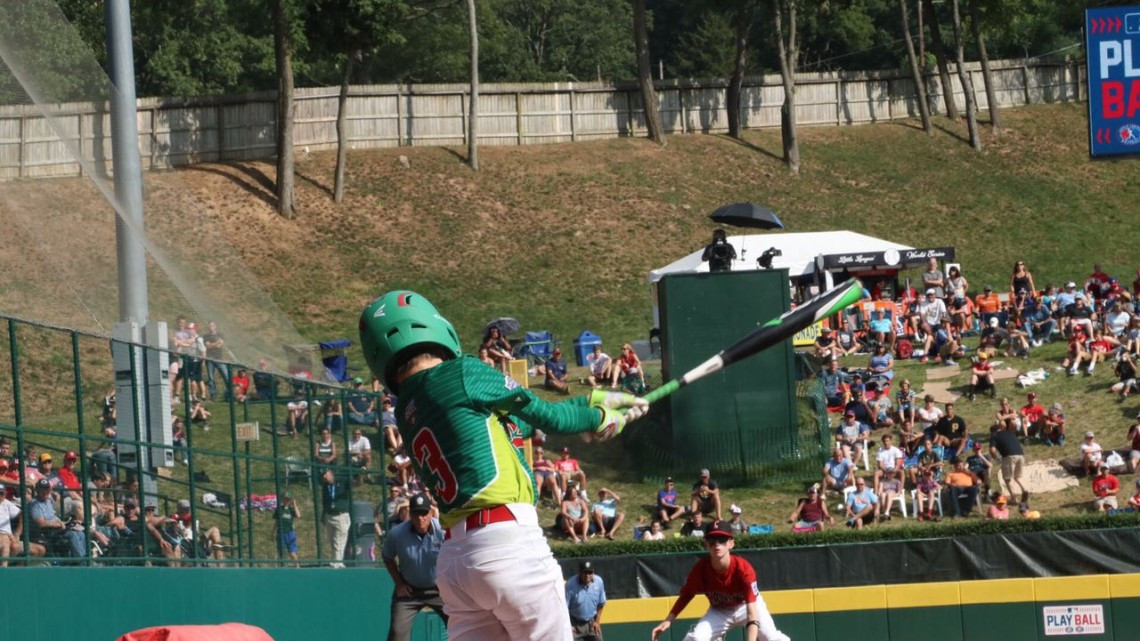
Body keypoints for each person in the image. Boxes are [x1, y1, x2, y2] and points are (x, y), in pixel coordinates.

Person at [359, 290, 646, 641]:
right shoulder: (462, 372)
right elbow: (548, 415)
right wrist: (599, 417)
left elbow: (510, 427)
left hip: (454, 564)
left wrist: (588, 405)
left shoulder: (406, 411)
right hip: (507, 544)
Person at [651, 521, 789, 641]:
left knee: (770, 638)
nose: (717, 544)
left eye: (722, 540)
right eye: (712, 541)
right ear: (706, 544)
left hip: (746, 605)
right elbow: (687, 594)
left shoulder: (743, 569)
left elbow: (752, 613)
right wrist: (669, 619)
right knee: (696, 638)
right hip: (720, 610)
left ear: (731, 544)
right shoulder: (701, 569)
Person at [382, 494, 447, 641]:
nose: (420, 518)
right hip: (409, 591)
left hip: (440, 590)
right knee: (397, 632)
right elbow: (387, 557)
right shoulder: (397, 534)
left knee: (462, 626)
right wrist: (399, 583)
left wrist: (449, 584)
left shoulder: (443, 532)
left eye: (424, 513)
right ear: (410, 514)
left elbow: (457, 556)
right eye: (416, 513)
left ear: (431, 513)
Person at [990, 423, 1029, 508]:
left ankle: (1014, 498)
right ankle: (1024, 489)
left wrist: (997, 458)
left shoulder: (994, 436)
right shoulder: (1010, 433)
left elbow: (992, 450)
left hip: (1009, 457)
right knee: (1018, 477)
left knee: (1007, 478)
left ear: (992, 432)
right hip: (1021, 455)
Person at [565, 561, 606, 641]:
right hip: (574, 623)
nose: (587, 576)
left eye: (590, 573)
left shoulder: (599, 582)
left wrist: (597, 622)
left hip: (591, 622)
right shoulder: (570, 584)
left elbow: (601, 603)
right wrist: (568, 625)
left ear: (593, 572)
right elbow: (564, 608)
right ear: (579, 572)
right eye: (584, 573)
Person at [321, 469, 352, 568]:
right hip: (329, 515)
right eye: (323, 475)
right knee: (331, 540)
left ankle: (338, 562)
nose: (324, 476)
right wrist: (323, 515)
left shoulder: (342, 483)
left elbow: (357, 484)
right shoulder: (325, 486)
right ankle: (336, 560)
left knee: (339, 540)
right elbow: (324, 502)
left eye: (326, 474)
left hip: (341, 515)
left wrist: (360, 474)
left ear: (331, 474)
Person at [275, 491, 301, 566]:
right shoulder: (279, 509)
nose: (285, 501)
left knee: (291, 551)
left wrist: (294, 504)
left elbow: (298, 516)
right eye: (284, 499)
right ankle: (279, 567)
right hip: (280, 532)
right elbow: (277, 521)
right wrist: (273, 532)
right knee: (280, 551)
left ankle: (297, 566)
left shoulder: (290, 509)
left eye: (287, 499)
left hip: (289, 532)